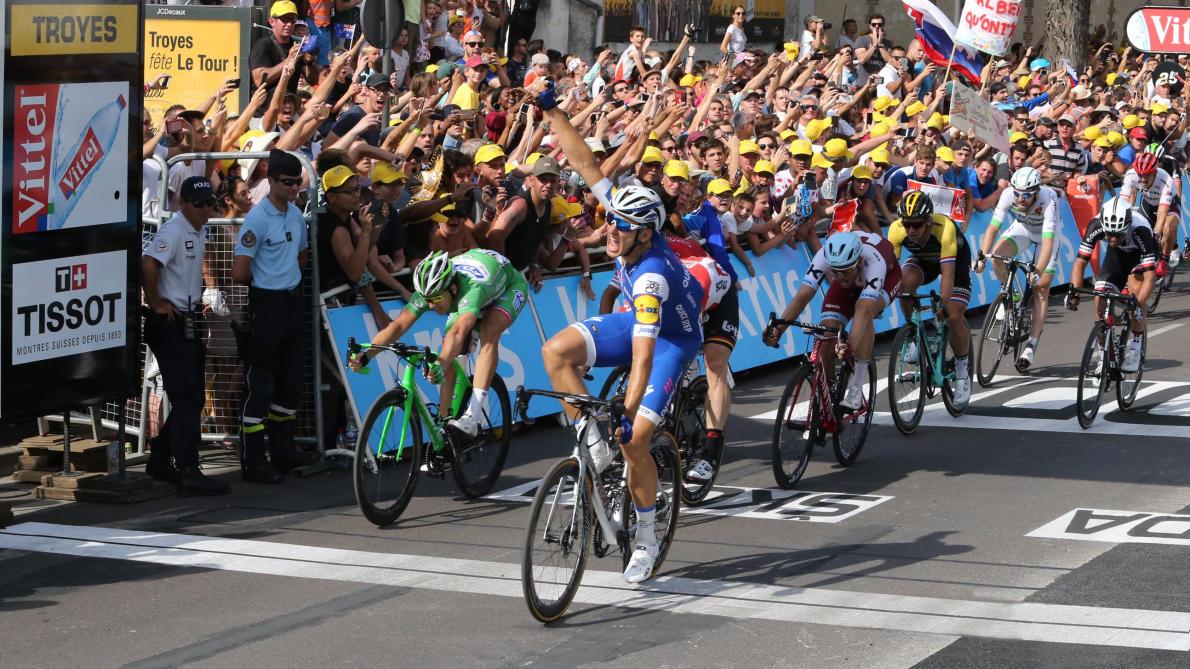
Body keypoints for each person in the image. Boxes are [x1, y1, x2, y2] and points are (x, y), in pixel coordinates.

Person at [537, 81, 703, 584]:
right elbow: (586, 163)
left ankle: (648, 536)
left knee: (634, 441)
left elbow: (644, 360)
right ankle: (590, 441)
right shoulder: (627, 215)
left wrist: (626, 415)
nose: (609, 231)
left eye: (622, 228)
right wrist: (551, 110)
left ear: (647, 233)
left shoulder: (651, 274)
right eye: (611, 222)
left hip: (671, 341)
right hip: (637, 321)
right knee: (555, 351)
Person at [352, 249, 529, 436]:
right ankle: (444, 428)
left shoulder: (472, 289)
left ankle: (473, 416)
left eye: (436, 299)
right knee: (448, 350)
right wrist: (367, 354)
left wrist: (440, 362)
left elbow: (459, 331)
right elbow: (398, 325)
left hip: (508, 287)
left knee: (488, 332)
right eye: (427, 300)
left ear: (453, 289)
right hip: (472, 282)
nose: (431, 305)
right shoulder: (431, 289)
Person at [231, 149, 320, 484]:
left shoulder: (296, 214)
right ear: (271, 181)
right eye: (288, 182)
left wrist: (285, 278)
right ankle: (254, 461)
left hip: (292, 305)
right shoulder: (256, 219)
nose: (295, 187)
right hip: (265, 306)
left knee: (289, 384)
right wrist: (269, 281)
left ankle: (283, 453)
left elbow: (301, 256)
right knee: (262, 387)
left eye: (298, 181)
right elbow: (240, 271)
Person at [142, 177, 231, 496]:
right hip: (171, 321)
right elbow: (149, 263)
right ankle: (188, 468)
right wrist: (155, 302)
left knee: (190, 396)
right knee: (188, 397)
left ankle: (162, 456)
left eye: (210, 203)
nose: (207, 209)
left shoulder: (198, 228)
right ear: (183, 204)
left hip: (188, 317)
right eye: (199, 203)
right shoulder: (175, 229)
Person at [763, 230, 902, 411]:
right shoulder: (825, 256)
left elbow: (864, 308)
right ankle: (829, 390)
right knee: (827, 332)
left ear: (858, 261)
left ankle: (856, 388)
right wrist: (778, 329)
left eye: (844, 270)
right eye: (834, 271)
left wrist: (848, 345)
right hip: (853, 277)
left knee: (866, 311)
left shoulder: (874, 260)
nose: (839, 275)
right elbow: (803, 295)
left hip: (888, 278)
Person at [886, 192, 973, 408]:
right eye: (907, 224)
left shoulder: (945, 228)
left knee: (953, 316)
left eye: (916, 224)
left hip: (954, 262)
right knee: (903, 286)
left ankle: (962, 371)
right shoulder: (896, 230)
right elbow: (891, 272)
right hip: (923, 260)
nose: (911, 230)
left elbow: (948, 274)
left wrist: (943, 305)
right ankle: (913, 335)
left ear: (927, 221)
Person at [974, 166, 1061, 371]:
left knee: (1041, 289)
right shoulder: (1007, 195)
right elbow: (993, 228)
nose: (1020, 199)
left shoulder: (1048, 199)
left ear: (1037, 192)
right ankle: (1011, 295)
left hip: (1046, 237)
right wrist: (981, 256)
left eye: (1026, 195)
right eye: (1017, 193)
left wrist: (1037, 272)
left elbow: (1048, 243)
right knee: (997, 256)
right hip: (1023, 228)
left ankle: (1031, 345)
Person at [1066, 197, 1157, 373]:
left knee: (1136, 288)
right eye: (1109, 234)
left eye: (1118, 234)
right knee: (1100, 295)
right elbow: (1080, 261)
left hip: (1140, 255)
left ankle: (1136, 349)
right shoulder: (1096, 225)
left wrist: (1138, 303)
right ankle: (1103, 355)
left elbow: (1150, 276)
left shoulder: (1141, 230)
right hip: (1118, 256)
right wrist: (1074, 294)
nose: (1112, 238)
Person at [1120, 151, 1180, 277]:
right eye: (1140, 175)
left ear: (1155, 172)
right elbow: (1124, 202)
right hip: (1148, 202)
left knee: (1168, 228)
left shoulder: (1166, 180)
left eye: (1146, 175)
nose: (1142, 179)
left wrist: (1157, 234)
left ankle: (1164, 260)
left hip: (1169, 205)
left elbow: (1162, 211)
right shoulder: (1130, 175)